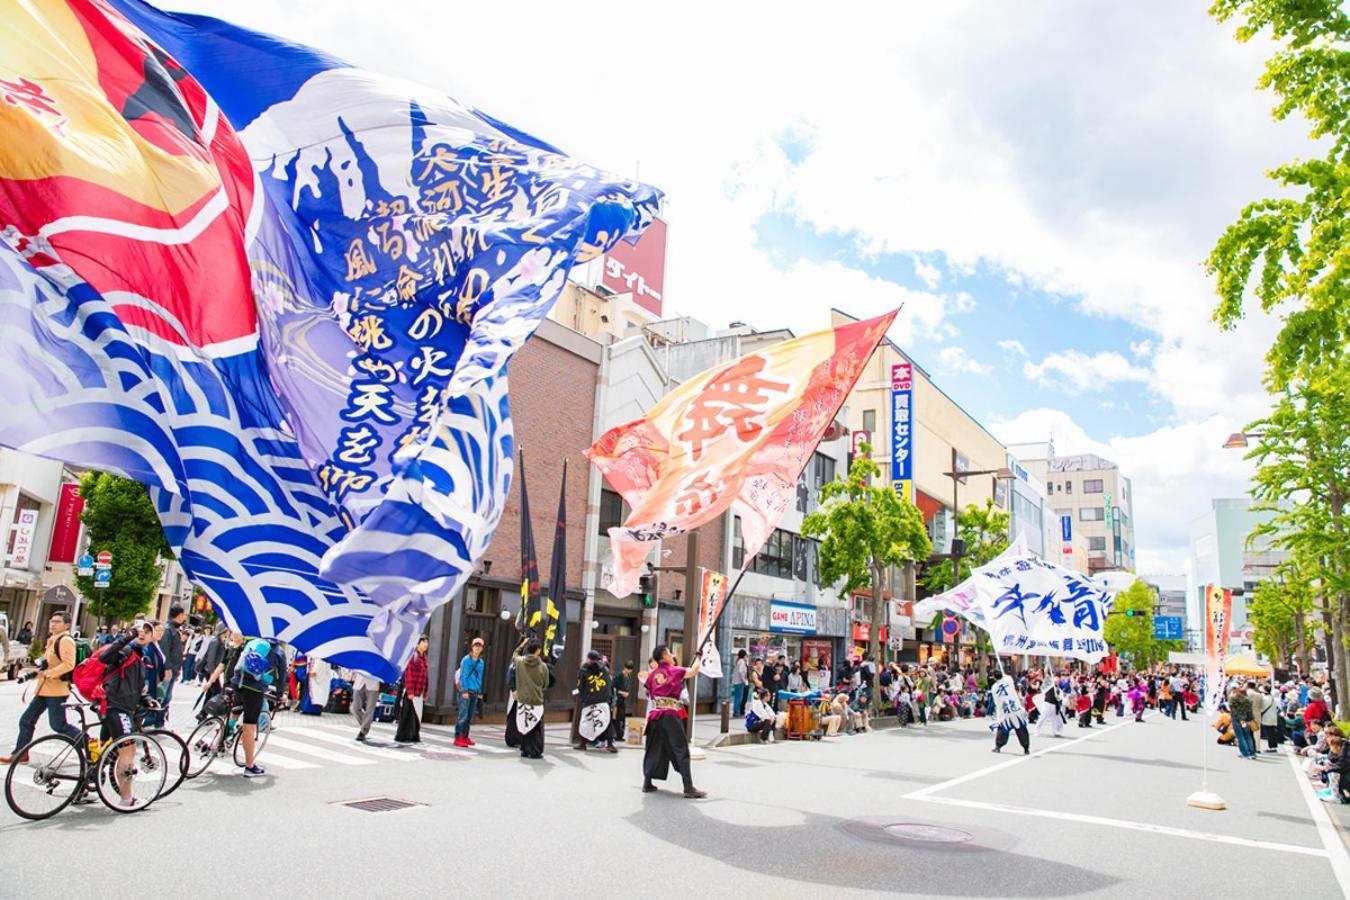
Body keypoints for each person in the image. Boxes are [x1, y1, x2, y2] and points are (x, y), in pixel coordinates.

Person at [2, 611, 81, 764]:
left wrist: (48, 673)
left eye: (57, 621)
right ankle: (20, 754)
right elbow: (49, 662)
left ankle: (89, 744)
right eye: (52, 621)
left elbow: (69, 664)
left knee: (58, 725)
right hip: (45, 689)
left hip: (57, 690)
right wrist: (36, 672)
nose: (52, 624)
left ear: (66, 625)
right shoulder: (52, 640)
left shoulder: (65, 640)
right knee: (27, 720)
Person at [97, 623, 157, 805]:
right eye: (140, 630)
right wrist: (128, 636)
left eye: (147, 632)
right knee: (128, 751)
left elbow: (134, 687)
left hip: (119, 707)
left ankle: (88, 783)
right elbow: (105, 657)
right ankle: (126, 799)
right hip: (116, 707)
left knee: (107, 751)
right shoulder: (126, 650)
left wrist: (145, 698)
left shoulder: (140, 657)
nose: (142, 634)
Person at [640, 644, 705, 798]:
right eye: (669, 652)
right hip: (669, 715)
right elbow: (694, 671)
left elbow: (648, 690)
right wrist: (698, 657)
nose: (671, 655)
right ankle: (688, 787)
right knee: (680, 748)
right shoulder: (674, 670)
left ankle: (647, 782)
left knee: (653, 748)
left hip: (655, 716)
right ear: (663, 657)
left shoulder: (652, 675)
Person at [230, 637, 286, 776]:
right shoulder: (279, 652)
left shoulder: (254, 642)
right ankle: (249, 766)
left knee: (234, 713)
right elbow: (281, 677)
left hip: (237, 682)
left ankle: (220, 742)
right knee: (249, 725)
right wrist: (280, 695)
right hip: (254, 689)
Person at [513, 638, 551, 759]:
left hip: (523, 699)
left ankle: (524, 749)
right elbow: (545, 684)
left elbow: (514, 654)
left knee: (524, 724)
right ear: (538, 651)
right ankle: (535, 751)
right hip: (536, 700)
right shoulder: (543, 666)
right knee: (536, 728)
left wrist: (521, 645)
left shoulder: (519, 662)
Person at [575, 649, 618, 752]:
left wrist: (583, 698)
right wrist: (610, 699)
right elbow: (609, 685)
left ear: (589, 659)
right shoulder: (605, 670)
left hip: (590, 700)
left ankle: (582, 743)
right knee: (606, 721)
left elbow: (581, 686)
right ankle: (610, 744)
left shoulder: (584, 670)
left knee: (587, 721)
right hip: (603, 700)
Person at [395, 634, 430, 745]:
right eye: (423, 642)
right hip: (412, 690)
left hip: (420, 690)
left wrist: (425, 692)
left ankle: (413, 735)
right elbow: (408, 674)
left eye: (426, 642)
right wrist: (410, 691)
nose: (426, 644)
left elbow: (426, 676)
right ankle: (402, 736)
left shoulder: (424, 657)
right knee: (407, 714)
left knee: (416, 714)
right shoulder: (413, 656)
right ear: (417, 644)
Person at [454, 637, 485, 748]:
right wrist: (464, 690)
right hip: (465, 692)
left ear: (482, 648)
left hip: (475, 692)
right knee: (463, 715)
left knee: (469, 716)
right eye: (475, 645)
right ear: (472, 647)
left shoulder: (481, 662)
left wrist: (479, 690)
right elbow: (463, 676)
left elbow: (479, 678)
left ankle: (465, 736)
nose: (477, 647)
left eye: (479, 646)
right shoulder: (466, 660)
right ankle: (458, 737)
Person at [158, 604, 186, 712]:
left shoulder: (173, 629)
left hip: (173, 669)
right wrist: (167, 668)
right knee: (162, 696)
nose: (184, 618)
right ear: (180, 615)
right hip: (168, 670)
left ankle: (159, 721)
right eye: (183, 615)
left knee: (167, 697)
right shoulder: (168, 630)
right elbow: (164, 650)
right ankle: (155, 722)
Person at [351, 669, 382, 742]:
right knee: (354, 708)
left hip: (373, 684)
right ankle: (366, 724)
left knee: (370, 710)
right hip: (359, 683)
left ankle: (363, 732)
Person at [1229, 685, 1258, 760]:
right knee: (1247, 736)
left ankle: (1245, 753)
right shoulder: (1248, 700)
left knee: (1240, 736)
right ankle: (1251, 752)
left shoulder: (1233, 699)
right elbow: (1250, 711)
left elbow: (1231, 708)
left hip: (1236, 718)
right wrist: (1251, 719)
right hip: (1245, 719)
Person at [613, 660, 635, 745]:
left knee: (622, 718)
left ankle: (620, 735)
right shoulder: (619, 675)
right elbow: (613, 687)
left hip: (623, 700)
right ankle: (616, 735)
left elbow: (627, 687)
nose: (629, 671)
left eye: (630, 670)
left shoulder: (628, 676)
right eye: (628, 669)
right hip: (617, 699)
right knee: (617, 718)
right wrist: (622, 693)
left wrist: (627, 693)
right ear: (625, 668)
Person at [1258, 684, 1281, 753]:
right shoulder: (1273, 697)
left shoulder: (1264, 698)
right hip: (1273, 716)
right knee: (1272, 732)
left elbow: (1261, 709)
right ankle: (1273, 746)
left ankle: (1271, 747)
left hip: (1267, 717)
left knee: (1269, 733)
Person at [731, 650, 750, 718]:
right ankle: (737, 713)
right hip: (740, 682)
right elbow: (741, 672)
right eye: (746, 656)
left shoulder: (738, 661)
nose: (747, 657)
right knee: (739, 698)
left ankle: (736, 712)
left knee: (737, 697)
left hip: (736, 681)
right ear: (744, 655)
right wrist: (744, 680)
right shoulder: (742, 662)